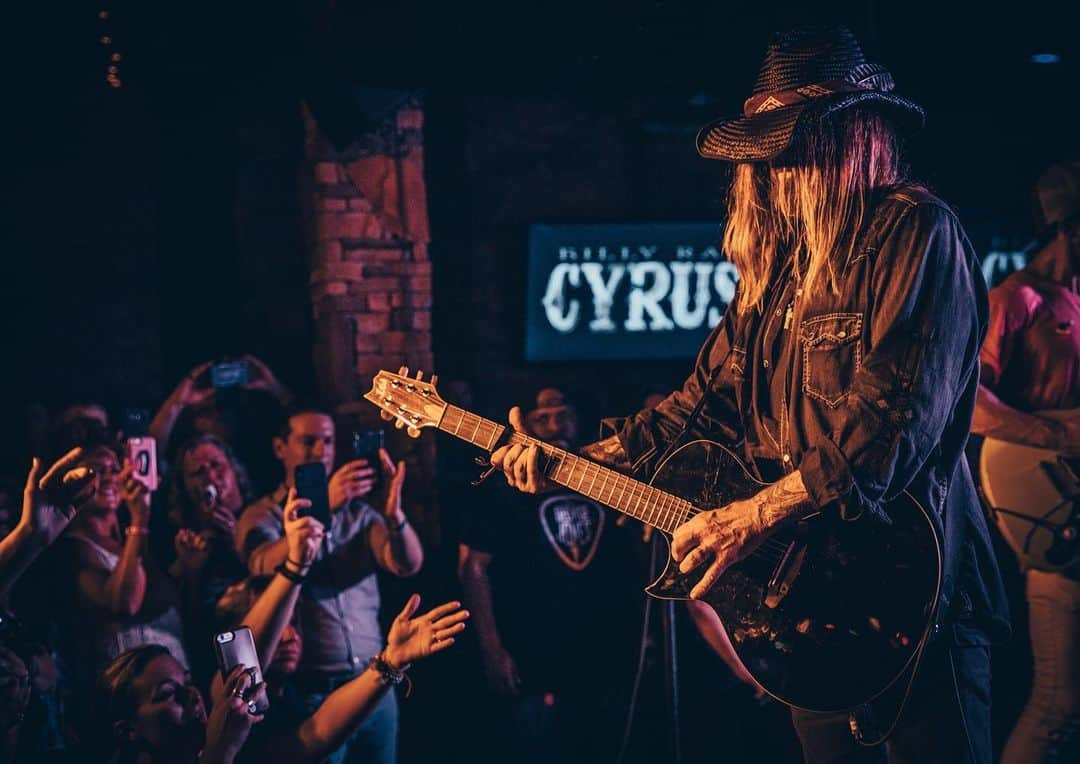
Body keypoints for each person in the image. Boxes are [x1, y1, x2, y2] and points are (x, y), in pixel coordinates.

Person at [493, 25, 1009, 763]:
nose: (776, 170)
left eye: (792, 146)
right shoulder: (778, 276)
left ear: (850, 137)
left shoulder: (914, 231)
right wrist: (574, 456)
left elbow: (890, 427)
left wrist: (750, 516)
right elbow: (698, 406)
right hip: (809, 611)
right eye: (768, 151)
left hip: (917, 593)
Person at [460, 387, 646, 763]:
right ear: (524, 425)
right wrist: (492, 649)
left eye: (563, 414)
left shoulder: (605, 480)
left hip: (607, 660)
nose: (556, 424)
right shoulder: (503, 488)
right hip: (536, 662)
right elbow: (472, 566)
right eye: (543, 419)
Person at [217, 487, 467, 763]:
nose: (288, 636)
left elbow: (315, 735)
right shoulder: (231, 707)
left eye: (295, 622)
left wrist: (390, 661)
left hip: (371, 681)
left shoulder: (283, 699)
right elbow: (312, 739)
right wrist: (297, 562)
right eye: (278, 627)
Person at [234, 405, 423, 764]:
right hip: (312, 695)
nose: (320, 451)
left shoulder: (358, 513)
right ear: (280, 448)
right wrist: (325, 505)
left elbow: (407, 564)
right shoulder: (264, 515)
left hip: (376, 680)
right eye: (308, 441)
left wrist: (394, 515)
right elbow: (260, 565)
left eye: (328, 441)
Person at [972, 161, 1080, 763]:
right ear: (1069, 227)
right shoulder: (1015, 300)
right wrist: (1052, 435)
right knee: (1057, 705)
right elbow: (969, 406)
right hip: (1053, 511)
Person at [54, 441, 188, 716]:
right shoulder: (73, 548)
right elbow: (124, 603)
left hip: (177, 681)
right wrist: (139, 519)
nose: (107, 478)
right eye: (94, 471)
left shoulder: (133, 543)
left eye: (114, 469)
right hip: (131, 698)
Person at [165, 435, 255, 687]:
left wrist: (240, 543)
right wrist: (190, 572)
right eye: (198, 472)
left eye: (216, 466)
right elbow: (189, 626)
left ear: (234, 471)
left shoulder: (262, 519)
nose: (210, 477)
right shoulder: (185, 541)